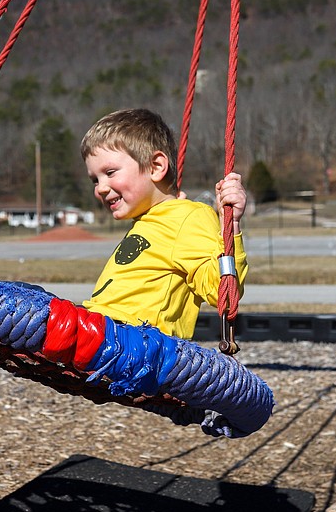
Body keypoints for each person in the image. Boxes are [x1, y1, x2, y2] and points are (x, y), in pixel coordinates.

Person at [80, 108, 248, 339]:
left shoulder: (187, 216)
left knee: (37, 312)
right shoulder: (148, 221)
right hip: (105, 331)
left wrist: (232, 224)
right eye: (95, 180)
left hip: (137, 340)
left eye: (110, 172)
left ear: (156, 167)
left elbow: (223, 295)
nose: (100, 188)